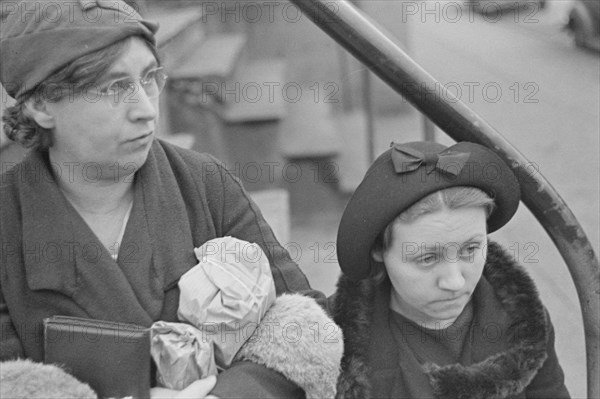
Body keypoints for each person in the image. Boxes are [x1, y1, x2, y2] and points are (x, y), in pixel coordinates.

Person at [0, 1, 342, 398]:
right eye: (113, 88)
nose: (146, 110)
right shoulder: (8, 221)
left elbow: (304, 318)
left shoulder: (203, 183)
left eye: (149, 79)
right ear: (41, 104)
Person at [331, 141, 570, 398]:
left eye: (470, 250)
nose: (455, 282)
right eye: (427, 258)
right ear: (379, 250)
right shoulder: (336, 339)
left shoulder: (523, 323)